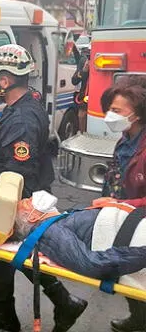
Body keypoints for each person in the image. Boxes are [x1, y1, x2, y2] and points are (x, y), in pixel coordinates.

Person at [0, 44, 88, 332]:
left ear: (5, 80)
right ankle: (63, 302)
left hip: (16, 200)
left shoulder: (22, 119)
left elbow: (16, 174)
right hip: (19, 196)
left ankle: (19, 312)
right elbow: (3, 139)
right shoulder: (21, 107)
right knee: (18, 256)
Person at [92, 75, 146, 332]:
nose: (109, 116)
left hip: (138, 217)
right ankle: (138, 318)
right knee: (131, 274)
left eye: (116, 110)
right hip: (123, 214)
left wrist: (121, 205)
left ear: (136, 114)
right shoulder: (126, 138)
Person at [12, 192, 146, 281]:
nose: (31, 197)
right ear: (33, 216)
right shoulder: (48, 231)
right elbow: (93, 265)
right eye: (27, 202)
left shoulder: (62, 219)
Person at [71, 46, 90, 133]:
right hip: (86, 96)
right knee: (82, 114)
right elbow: (74, 80)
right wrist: (84, 70)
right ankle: (82, 133)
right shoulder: (84, 60)